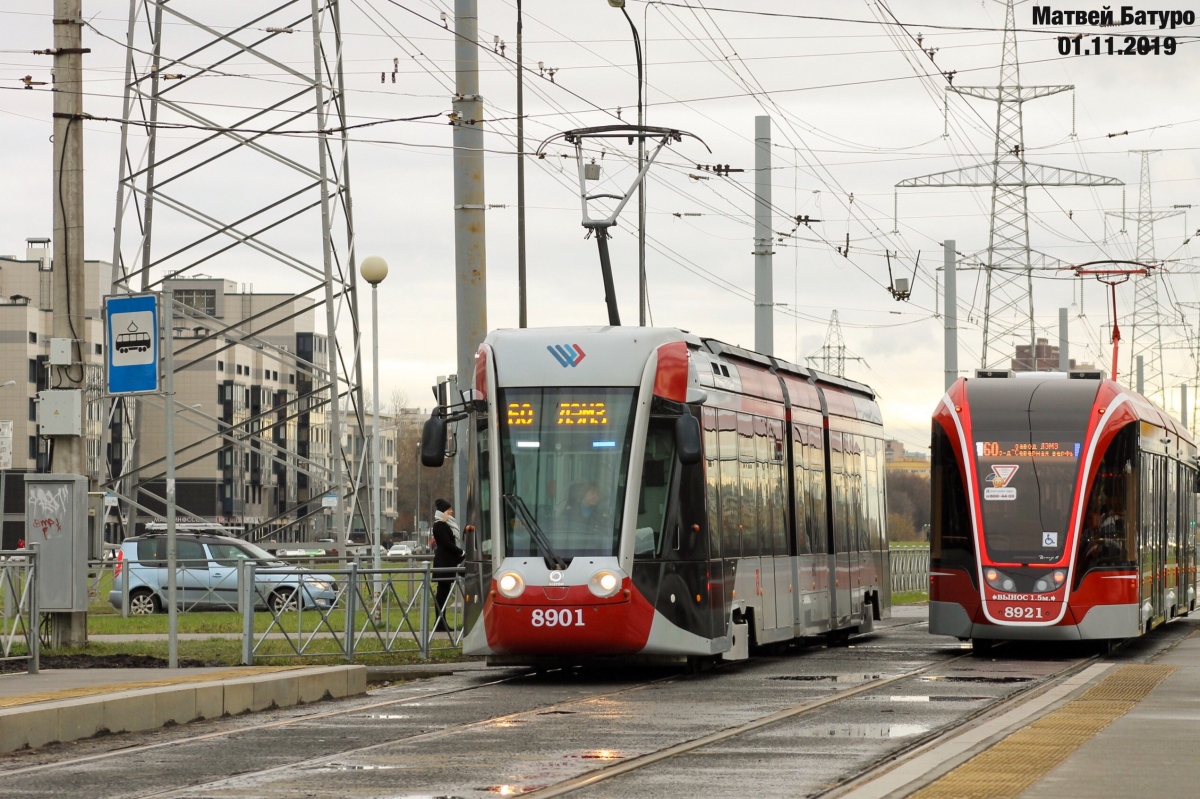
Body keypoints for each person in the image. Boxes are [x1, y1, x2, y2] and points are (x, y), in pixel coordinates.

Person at [431, 498, 464, 632]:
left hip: (448, 561)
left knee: (444, 592)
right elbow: (446, 544)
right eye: (449, 509)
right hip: (443, 562)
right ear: (444, 512)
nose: (451, 511)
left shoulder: (446, 525)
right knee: (442, 593)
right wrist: (460, 551)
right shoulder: (440, 525)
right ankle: (439, 622)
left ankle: (441, 622)